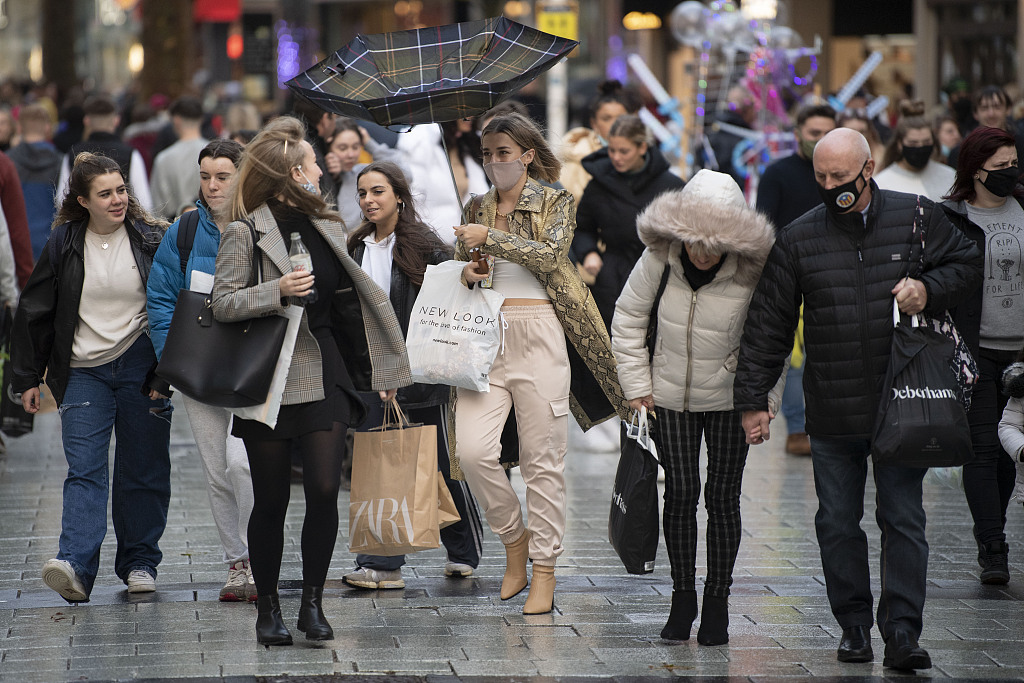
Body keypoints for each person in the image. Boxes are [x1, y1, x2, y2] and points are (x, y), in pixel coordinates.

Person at [734, 128, 983, 671]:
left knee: (903, 517)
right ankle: (852, 627)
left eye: (840, 177)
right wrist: (754, 399)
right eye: (821, 177)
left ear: (868, 170)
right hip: (833, 406)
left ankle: (903, 633)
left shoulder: (917, 217)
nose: (830, 187)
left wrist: (927, 289)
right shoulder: (799, 237)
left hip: (903, 401)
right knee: (837, 522)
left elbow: (967, 262)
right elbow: (769, 322)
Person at [211, 116, 410, 646]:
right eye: (312, 164)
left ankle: (313, 603)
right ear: (291, 173)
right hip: (270, 376)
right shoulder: (245, 231)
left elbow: (349, 304)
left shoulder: (327, 224)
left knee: (324, 488)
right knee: (272, 499)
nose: (321, 171)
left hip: (325, 367)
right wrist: (275, 289)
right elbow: (222, 303)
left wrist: (379, 370)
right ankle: (269, 608)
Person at [451, 112, 629, 615]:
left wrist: (489, 238)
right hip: (485, 336)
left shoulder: (556, 200)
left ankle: (544, 568)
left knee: (542, 462)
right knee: (472, 452)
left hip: (541, 333)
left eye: (503, 152)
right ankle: (515, 540)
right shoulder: (475, 206)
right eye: (487, 154)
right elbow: (464, 266)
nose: (494, 162)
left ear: (527, 155)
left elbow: (551, 256)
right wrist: (467, 270)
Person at [611, 169, 778, 645]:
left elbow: (771, 338)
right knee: (681, 493)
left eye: (714, 245)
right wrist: (636, 386)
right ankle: (682, 596)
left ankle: (718, 601)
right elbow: (627, 317)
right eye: (694, 242)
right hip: (668, 397)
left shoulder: (752, 268)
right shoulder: (659, 257)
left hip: (731, 399)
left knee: (723, 497)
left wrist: (762, 402)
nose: (702, 254)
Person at [10, 152, 174, 602]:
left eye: (121, 190)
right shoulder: (64, 242)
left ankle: (140, 562)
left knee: (143, 466)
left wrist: (167, 371)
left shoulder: (151, 239)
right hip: (83, 370)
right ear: (83, 201)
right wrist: (27, 377)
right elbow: (35, 309)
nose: (117, 199)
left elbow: (172, 306)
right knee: (84, 468)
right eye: (105, 194)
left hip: (142, 365)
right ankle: (75, 566)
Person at [341, 161, 484, 590]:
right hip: (370, 373)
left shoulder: (421, 243)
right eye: (363, 193)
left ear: (399, 196)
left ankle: (464, 549)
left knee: (437, 464)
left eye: (378, 191)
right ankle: (382, 563)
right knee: (382, 463)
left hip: (420, 372)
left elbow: (453, 285)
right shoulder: (354, 248)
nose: (369, 200)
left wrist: (468, 272)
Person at [145, 139, 256, 602]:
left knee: (242, 463)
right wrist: (173, 358)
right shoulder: (185, 230)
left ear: (242, 176)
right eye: (205, 176)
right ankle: (238, 564)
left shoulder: (263, 224)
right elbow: (160, 298)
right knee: (216, 471)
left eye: (222, 176)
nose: (212, 186)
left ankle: (258, 554)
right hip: (199, 366)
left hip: (252, 364)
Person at [939, 125, 1024, 585]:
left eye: (1014, 164)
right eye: (1000, 166)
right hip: (974, 351)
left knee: (1010, 454)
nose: (1010, 172)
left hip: (1021, 352)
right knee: (983, 448)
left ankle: (993, 528)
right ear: (975, 170)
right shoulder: (950, 217)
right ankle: (993, 547)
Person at [755, 103, 838, 457]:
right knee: (793, 358)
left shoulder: (843, 174)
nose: (820, 139)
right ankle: (797, 428)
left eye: (827, 133)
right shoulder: (778, 173)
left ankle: (830, 425)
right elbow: (763, 226)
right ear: (797, 134)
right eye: (813, 133)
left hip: (836, 276)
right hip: (789, 278)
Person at [574, 114, 685, 330]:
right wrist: (589, 253)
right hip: (611, 276)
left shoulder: (671, 186)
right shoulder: (599, 184)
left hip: (660, 275)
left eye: (624, 151)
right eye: (612, 150)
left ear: (642, 147)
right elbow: (582, 227)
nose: (616, 157)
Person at [398, 118, 488, 246]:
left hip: (465, 243)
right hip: (432, 242)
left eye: (471, 112)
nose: (469, 117)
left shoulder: (468, 149)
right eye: (461, 111)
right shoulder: (422, 145)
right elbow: (414, 196)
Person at [58, 95, 153, 212]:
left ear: (86, 120)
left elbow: (62, 199)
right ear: (116, 120)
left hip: (84, 220)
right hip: (121, 219)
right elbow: (144, 202)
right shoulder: (130, 154)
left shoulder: (73, 153)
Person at [559, 80, 640, 203]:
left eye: (621, 118)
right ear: (594, 123)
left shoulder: (644, 155)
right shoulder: (576, 160)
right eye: (606, 118)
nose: (615, 124)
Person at [324, 118, 407, 231]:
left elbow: (405, 176)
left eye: (356, 147)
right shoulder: (318, 174)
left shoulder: (363, 174)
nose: (351, 154)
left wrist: (370, 143)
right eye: (342, 148)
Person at [8, 103, 63, 259]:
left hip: (15, 245)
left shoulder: (8, 162)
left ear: (19, 128)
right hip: (51, 245)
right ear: (47, 127)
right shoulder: (61, 162)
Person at [874, 100, 956, 202]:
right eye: (913, 143)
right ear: (900, 144)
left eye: (926, 142)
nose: (920, 148)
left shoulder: (950, 176)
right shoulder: (882, 183)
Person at [149, 97, 209, 220]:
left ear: (176, 120)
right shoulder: (216, 153)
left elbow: (158, 207)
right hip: (212, 224)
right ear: (201, 119)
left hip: (175, 224)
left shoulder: (164, 159)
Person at [948, 86, 1024, 167]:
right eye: (984, 108)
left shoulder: (1021, 145)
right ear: (975, 113)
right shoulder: (962, 152)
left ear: (1008, 109)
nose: (991, 114)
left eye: (997, 107)